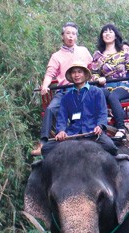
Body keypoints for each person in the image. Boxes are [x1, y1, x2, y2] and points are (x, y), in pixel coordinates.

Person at [32, 22, 93, 156]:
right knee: (50, 109)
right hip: (65, 91)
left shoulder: (83, 51)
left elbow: (92, 68)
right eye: (68, 33)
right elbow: (50, 74)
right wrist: (45, 85)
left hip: (84, 89)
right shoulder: (56, 56)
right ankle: (43, 142)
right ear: (62, 36)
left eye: (73, 34)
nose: (71, 36)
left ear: (76, 36)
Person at [40, 61, 118, 157]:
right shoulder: (66, 97)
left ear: (85, 74)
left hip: (92, 132)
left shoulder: (96, 92)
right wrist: (61, 131)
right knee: (45, 149)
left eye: (79, 72)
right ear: (71, 76)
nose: (76, 75)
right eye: (74, 72)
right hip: (73, 134)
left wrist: (100, 126)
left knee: (111, 147)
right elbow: (62, 118)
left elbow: (102, 112)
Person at [90, 24, 129, 137]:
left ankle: (121, 128)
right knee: (97, 94)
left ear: (115, 36)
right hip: (105, 86)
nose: (107, 34)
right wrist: (98, 79)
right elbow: (94, 73)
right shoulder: (97, 55)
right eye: (105, 32)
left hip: (122, 85)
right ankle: (96, 125)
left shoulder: (123, 54)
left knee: (113, 96)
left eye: (110, 32)